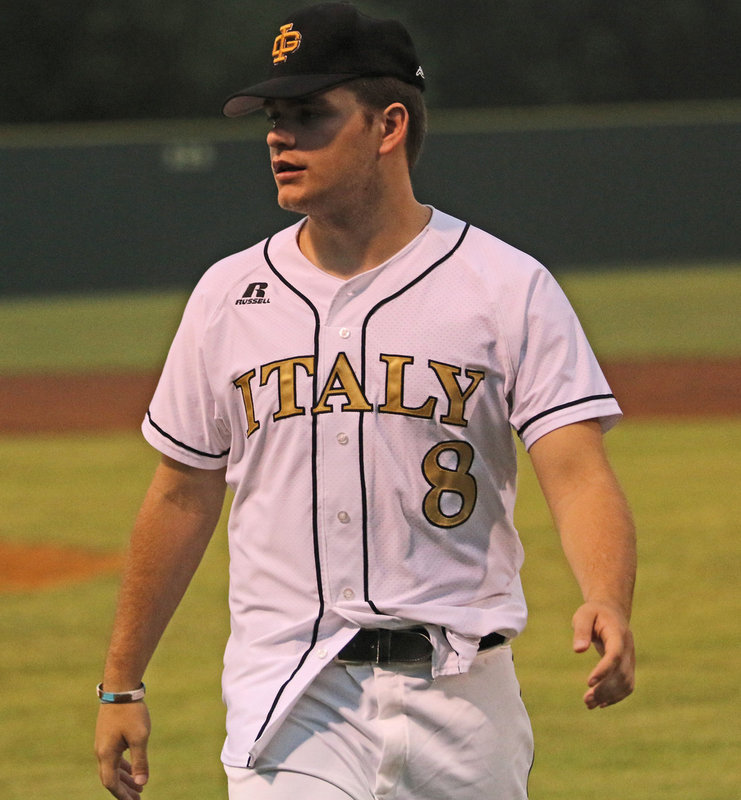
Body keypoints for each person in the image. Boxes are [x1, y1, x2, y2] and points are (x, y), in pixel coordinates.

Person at [94, 3, 636, 799]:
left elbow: (577, 471)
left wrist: (606, 597)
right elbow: (180, 493)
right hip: (292, 699)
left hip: (464, 694)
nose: (280, 137)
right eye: (274, 118)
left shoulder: (504, 285)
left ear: (387, 126)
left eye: (309, 115)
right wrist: (121, 684)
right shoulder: (226, 295)